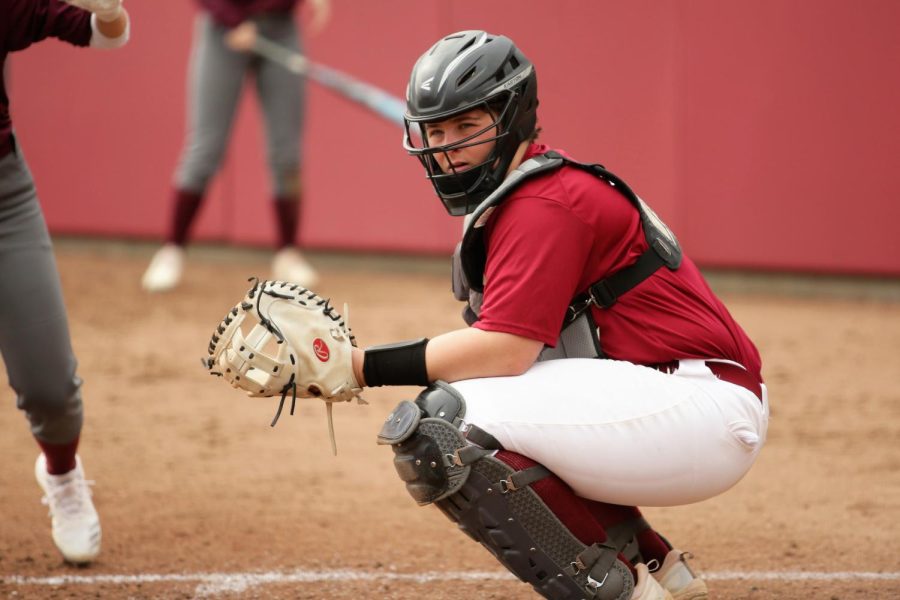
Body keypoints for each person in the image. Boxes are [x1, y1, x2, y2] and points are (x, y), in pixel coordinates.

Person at [355, 31, 769, 600]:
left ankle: (622, 593)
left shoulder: (542, 202)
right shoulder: (532, 191)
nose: (447, 146)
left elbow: (503, 349)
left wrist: (357, 366)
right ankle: (655, 565)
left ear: (512, 116)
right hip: (678, 398)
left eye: (466, 126)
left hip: (701, 405)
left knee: (445, 427)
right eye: (437, 130)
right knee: (488, 407)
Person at [1, 0, 131, 564]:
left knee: (51, 390)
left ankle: (62, 475)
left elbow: (108, 37)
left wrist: (110, 9)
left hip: (2, 196)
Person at [141, 0, 329, 292]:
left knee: (287, 153)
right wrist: (231, 19)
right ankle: (172, 250)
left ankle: (288, 253)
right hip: (224, 29)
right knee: (205, 149)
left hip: (281, 28)